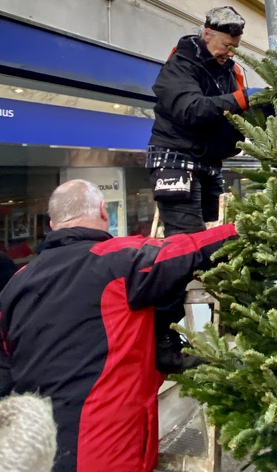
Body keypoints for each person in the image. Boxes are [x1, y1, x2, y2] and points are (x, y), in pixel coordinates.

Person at [0, 179, 237, 472]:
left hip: (35, 453)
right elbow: (184, 252)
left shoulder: (16, 283)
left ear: (52, 223)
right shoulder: (116, 261)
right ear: (103, 210)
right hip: (104, 453)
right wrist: (242, 230)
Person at [147, 6, 261, 369]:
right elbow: (190, 110)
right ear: (207, 33)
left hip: (208, 167)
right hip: (174, 164)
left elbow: (233, 117)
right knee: (184, 249)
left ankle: (222, 321)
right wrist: (245, 100)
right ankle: (159, 338)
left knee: (211, 246)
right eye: (225, 44)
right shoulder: (180, 64)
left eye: (235, 46)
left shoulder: (230, 72)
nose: (230, 52)